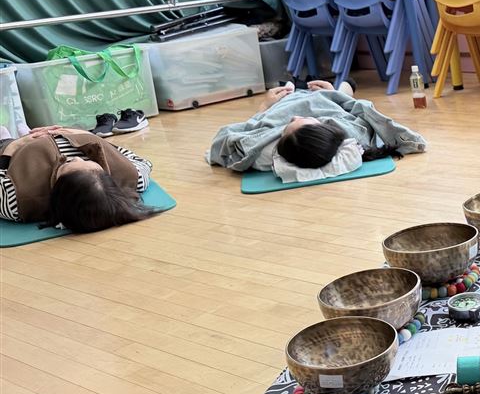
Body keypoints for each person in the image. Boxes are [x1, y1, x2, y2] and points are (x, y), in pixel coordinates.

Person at [207, 79, 426, 181]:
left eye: (288, 125)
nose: (295, 117)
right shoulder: (351, 132)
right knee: (344, 87)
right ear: (325, 129)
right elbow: (357, 110)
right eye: (304, 120)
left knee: (288, 86)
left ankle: (295, 86)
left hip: (285, 102)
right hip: (324, 100)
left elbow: (232, 136)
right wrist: (334, 94)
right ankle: (342, 87)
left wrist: (264, 107)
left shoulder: (263, 153)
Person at [0, 125, 155, 232]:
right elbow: (123, 154)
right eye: (88, 161)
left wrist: (14, 146)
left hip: (22, 152)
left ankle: (6, 138)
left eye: (67, 165)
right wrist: (72, 132)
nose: (77, 158)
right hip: (66, 135)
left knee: (4, 138)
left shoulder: (16, 201)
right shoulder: (132, 176)